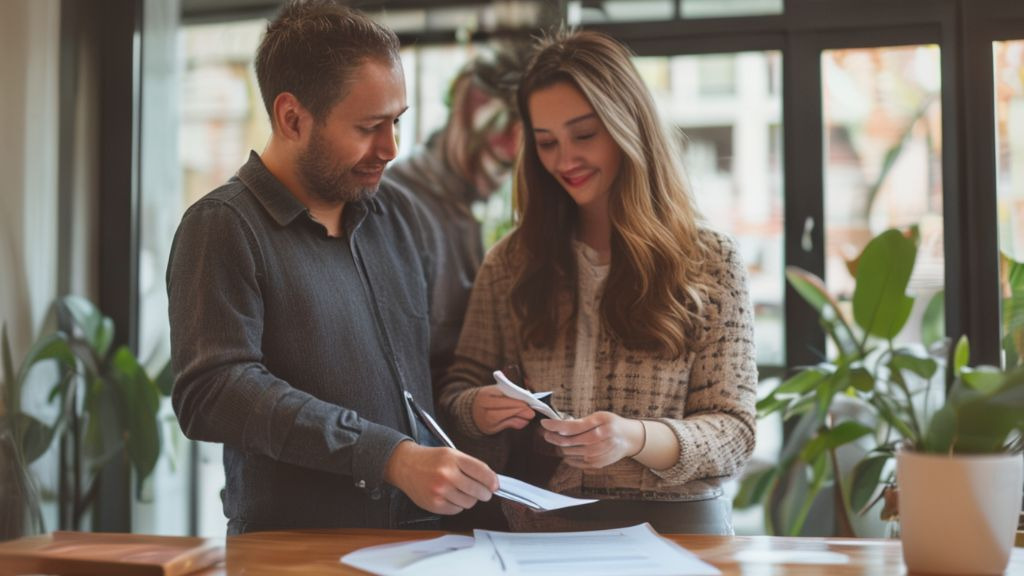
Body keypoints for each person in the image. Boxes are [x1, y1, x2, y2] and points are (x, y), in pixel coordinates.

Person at [166, 0, 498, 535]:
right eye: (369, 126)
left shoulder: (399, 215)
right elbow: (214, 392)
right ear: (292, 117)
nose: (391, 148)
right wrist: (386, 457)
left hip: (424, 543)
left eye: (397, 121)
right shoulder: (222, 227)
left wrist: (470, 407)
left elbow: (424, 371)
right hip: (296, 551)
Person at [439, 29, 757, 534]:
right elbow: (457, 392)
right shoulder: (511, 262)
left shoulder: (710, 260)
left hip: (679, 529)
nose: (565, 160)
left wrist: (633, 437)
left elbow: (735, 432)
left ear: (627, 124)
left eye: (584, 135)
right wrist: (478, 410)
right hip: (545, 529)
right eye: (546, 143)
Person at [383, 45, 526, 389]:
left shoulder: (478, 207)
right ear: (461, 118)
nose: (499, 172)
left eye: (511, 164)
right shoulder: (398, 203)